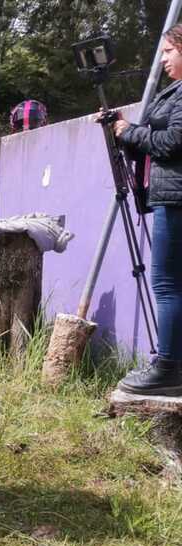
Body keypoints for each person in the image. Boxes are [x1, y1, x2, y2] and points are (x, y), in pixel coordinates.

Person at [115, 24, 182, 395]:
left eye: (168, 51)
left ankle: (168, 370)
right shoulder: (175, 91)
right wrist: (125, 129)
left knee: (168, 284)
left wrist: (129, 133)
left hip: (176, 199)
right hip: (172, 196)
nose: (163, 58)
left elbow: (173, 142)